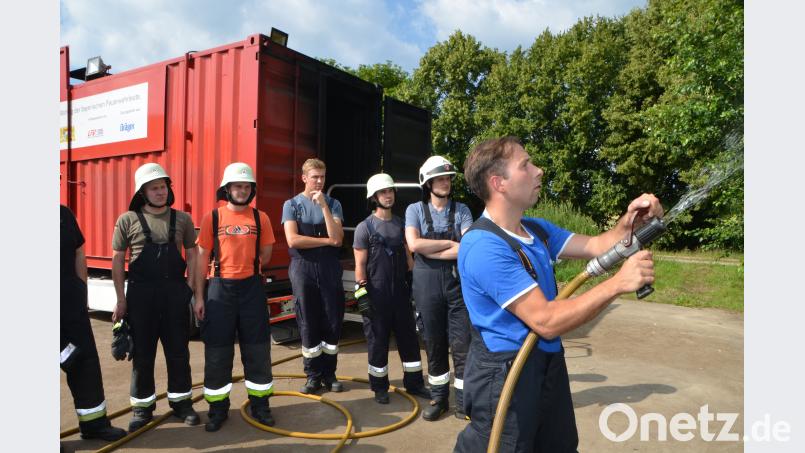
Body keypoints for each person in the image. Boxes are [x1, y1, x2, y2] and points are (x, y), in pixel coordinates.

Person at [454, 137, 661, 452]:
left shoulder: (535, 230)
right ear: (499, 183)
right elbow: (546, 321)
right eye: (525, 165)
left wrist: (630, 223)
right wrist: (618, 283)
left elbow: (597, 245)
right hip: (505, 374)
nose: (538, 171)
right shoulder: (483, 246)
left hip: (546, 362)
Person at [111, 163, 199, 432]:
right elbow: (117, 259)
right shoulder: (127, 220)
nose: (161, 192)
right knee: (143, 354)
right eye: (154, 188)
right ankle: (142, 407)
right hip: (141, 295)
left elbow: (193, 253)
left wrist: (192, 290)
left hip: (174, 293)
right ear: (143, 192)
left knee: (178, 351)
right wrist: (120, 299)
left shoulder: (181, 219)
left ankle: (182, 403)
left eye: (163, 187)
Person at [194, 162, 277, 432]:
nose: (241, 190)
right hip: (219, 289)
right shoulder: (213, 218)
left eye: (246, 186)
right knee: (218, 352)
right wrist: (198, 296)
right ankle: (218, 409)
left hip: (251, 288)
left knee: (257, 350)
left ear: (251, 189)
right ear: (227, 188)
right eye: (236, 186)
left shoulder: (260, 218)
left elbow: (265, 254)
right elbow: (201, 258)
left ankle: (260, 405)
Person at [405, 156, 474, 421]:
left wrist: (431, 247)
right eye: (439, 179)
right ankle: (439, 398)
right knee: (433, 342)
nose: (445, 183)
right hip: (426, 284)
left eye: (447, 178)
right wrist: (451, 246)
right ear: (428, 182)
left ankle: (465, 403)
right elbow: (413, 245)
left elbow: (467, 248)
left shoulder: (463, 210)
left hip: (457, 283)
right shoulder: (415, 210)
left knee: (462, 343)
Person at [353, 173, 432, 404]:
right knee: (377, 342)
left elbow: (410, 260)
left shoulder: (401, 224)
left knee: (409, 340)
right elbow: (359, 265)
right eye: (383, 192)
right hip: (376, 296)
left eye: (390, 191)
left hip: (400, 294)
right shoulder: (364, 228)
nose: (388, 196)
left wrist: (415, 286)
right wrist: (362, 295)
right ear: (374, 197)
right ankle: (379, 387)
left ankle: (415, 383)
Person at [61, 205, 127, 441]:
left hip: (70, 303)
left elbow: (79, 251)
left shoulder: (63, 214)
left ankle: (94, 424)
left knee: (85, 363)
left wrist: (81, 289)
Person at [281, 158, 346, 394]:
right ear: (304, 178)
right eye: (315, 177)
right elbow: (293, 240)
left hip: (328, 267)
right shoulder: (291, 205)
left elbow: (337, 239)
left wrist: (323, 207)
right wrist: (326, 241)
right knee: (307, 321)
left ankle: (330, 374)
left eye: (323, 176)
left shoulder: (333, 203)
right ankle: (313, 376)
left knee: (332, 320)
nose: (319, 181)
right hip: (303, 267)